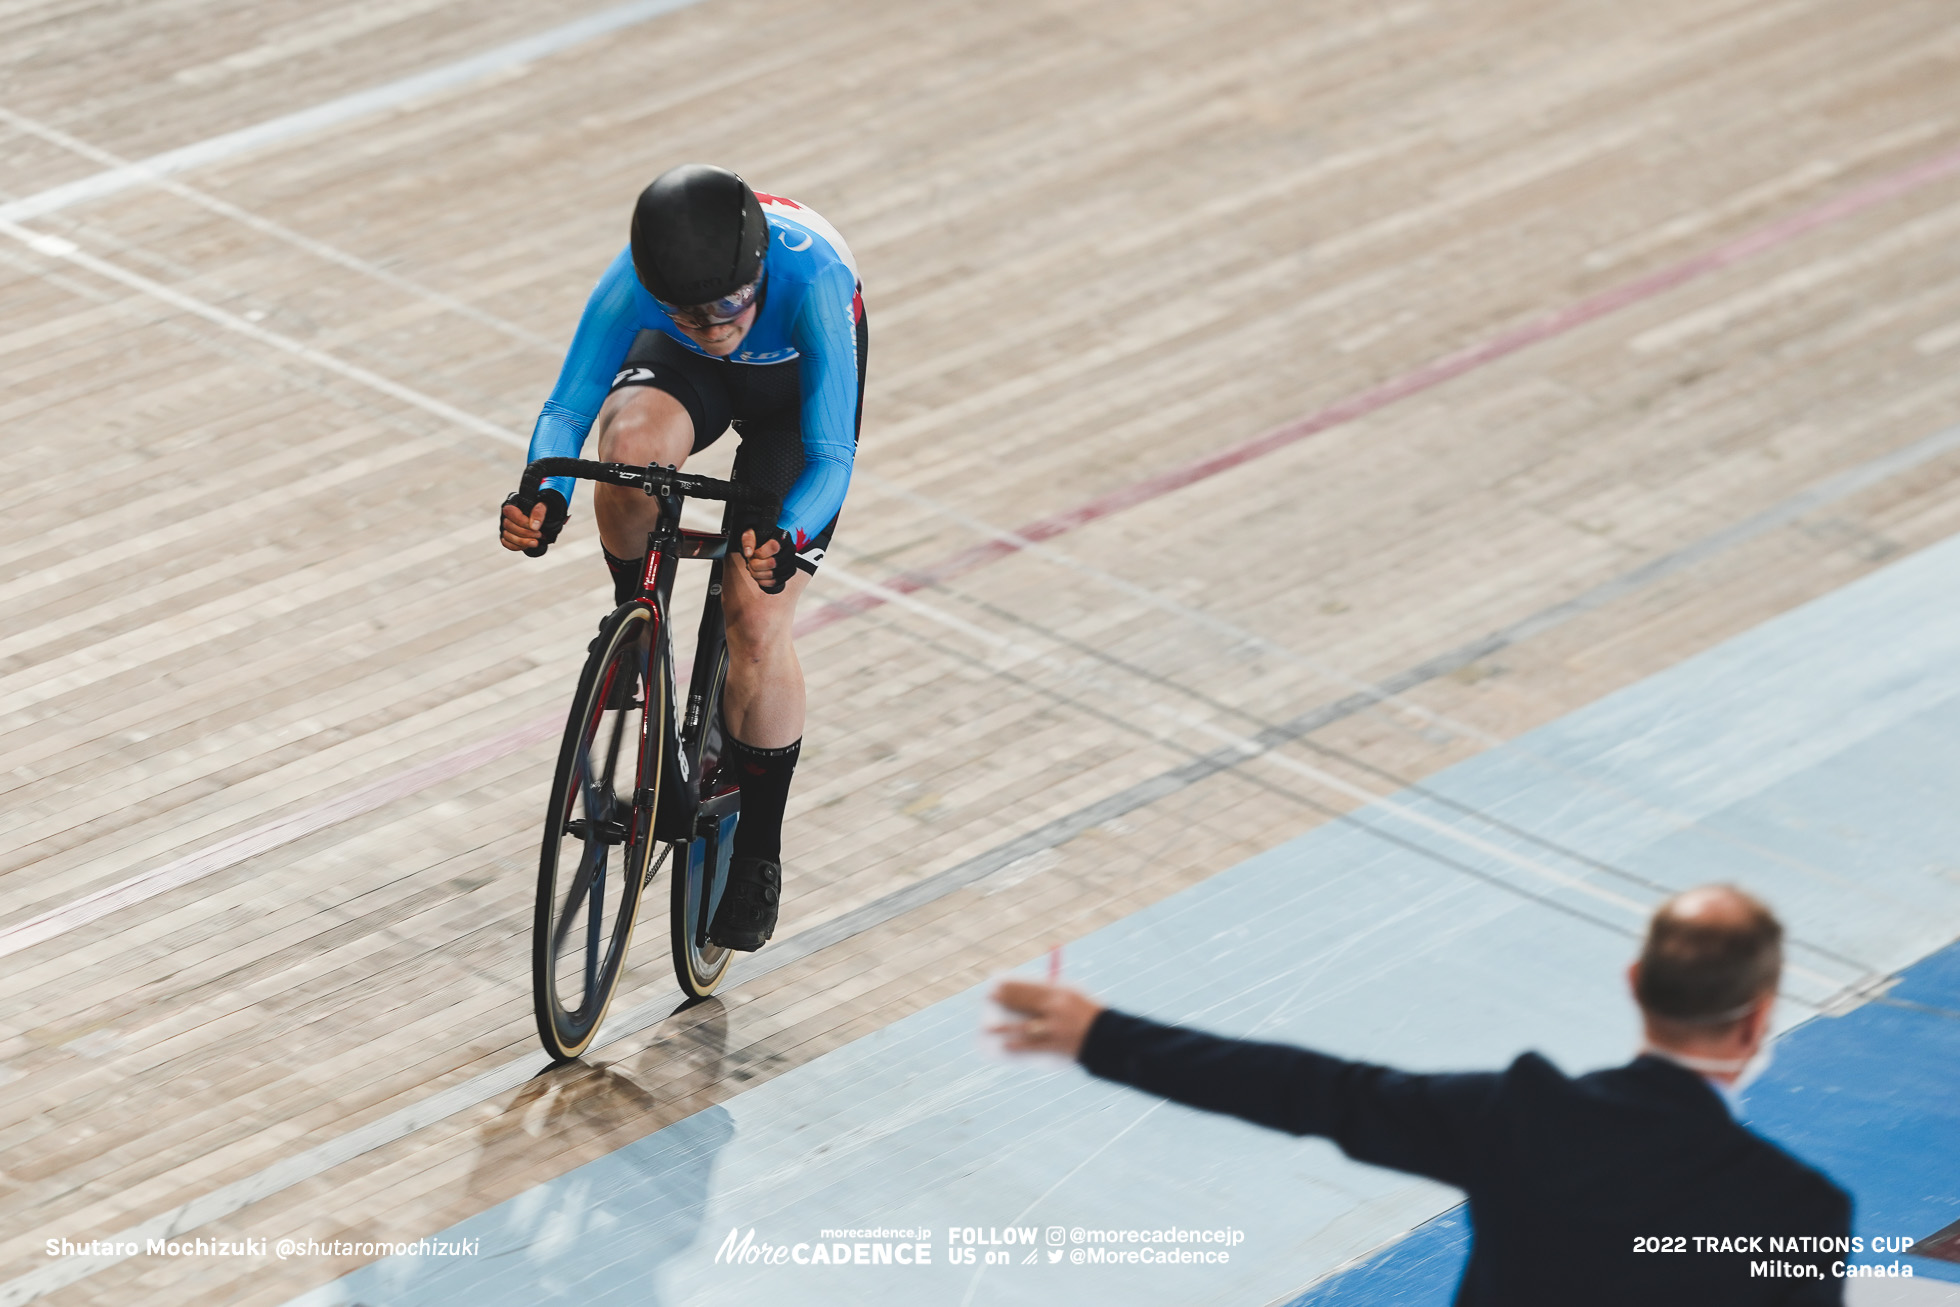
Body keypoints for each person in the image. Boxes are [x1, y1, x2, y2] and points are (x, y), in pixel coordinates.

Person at [993, 886, 1852, 1305]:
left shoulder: (1520, 1117)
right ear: (1759, 1018)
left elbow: (1308, 1090)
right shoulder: (1801, 1209)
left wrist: (1099, 1032)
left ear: (1636, 982)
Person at [499, 163, 866, 952]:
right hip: (688, 384)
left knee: (756, 617)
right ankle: (641, 622)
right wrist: (544, 494)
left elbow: (831, 456)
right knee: (625, 455)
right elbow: (567, 407)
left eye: (730, 305)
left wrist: (787, 533)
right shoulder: (634, 281)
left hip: (790, 399)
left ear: (758, 271)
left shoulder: (814, 281)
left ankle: (759, 852)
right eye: (687, 313)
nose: (715, 325)